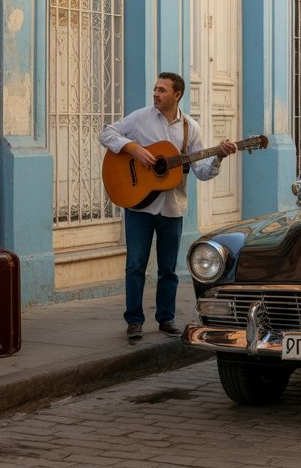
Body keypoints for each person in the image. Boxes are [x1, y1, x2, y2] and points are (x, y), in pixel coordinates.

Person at [99, 72, 237, 341]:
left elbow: (201, 171)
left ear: (177, 95)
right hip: (139, 206)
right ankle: (134, 321)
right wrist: (132, 148)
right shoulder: (140, 118)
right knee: (135, 265)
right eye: (155, 89)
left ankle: (165, 318)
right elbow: (108, 133)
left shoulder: (190, 129)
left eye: (162, 90)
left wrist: (218, 157)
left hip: (172, 208)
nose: (156, 94)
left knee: (169, 269)